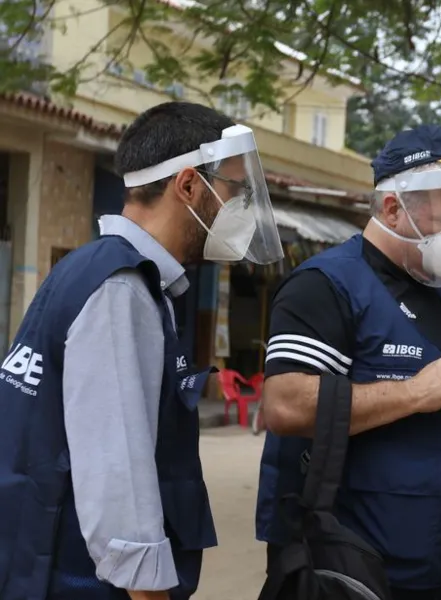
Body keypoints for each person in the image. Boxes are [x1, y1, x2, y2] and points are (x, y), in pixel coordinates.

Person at [0, 101, 284, 600]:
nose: (240, 208)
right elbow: (119, 491)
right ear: (190, 186)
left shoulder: (99, 270)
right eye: (235, 191)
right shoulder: (122, 290)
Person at [256, 124, 441, 600]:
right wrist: (413, 392)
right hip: (356, 569)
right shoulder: (326, 285)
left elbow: (435, 397)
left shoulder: (439, 293)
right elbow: (284, 406)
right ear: (394, 209)